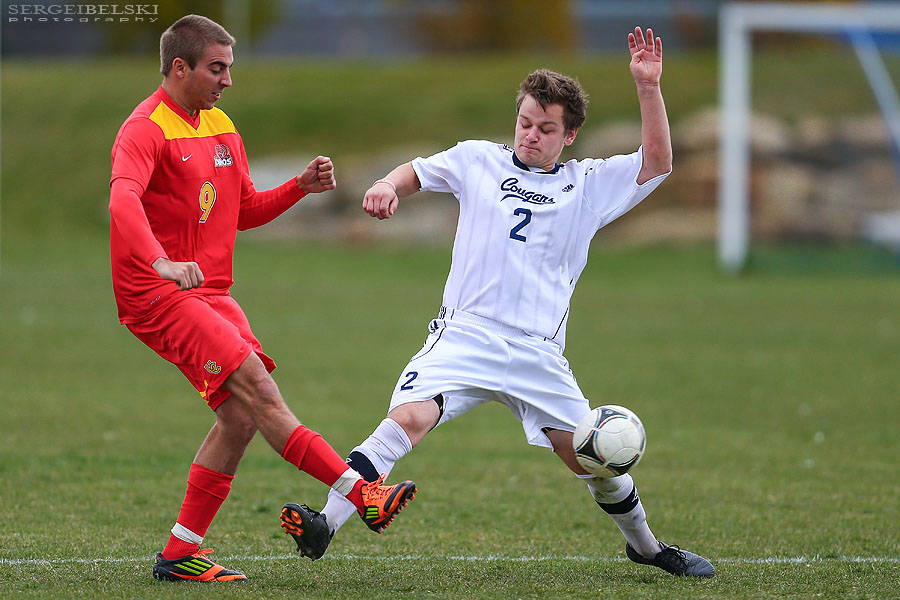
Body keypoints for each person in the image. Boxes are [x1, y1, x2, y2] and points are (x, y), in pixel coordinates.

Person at [287, 27, 714, 577]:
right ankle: (326, 522)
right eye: (526, 123)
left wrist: (647, 86)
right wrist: (389, 185)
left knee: (592, 458)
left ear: (570, 134)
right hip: (465, 335)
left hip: (538, 353)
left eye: (546, 129)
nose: (531, 136)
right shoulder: (479, 160)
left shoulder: (587, 185)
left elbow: (657, 160)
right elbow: (417, 170)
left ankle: (648, 547)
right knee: (408, 419)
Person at [109, 14, 416, 582]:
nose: (227, 80)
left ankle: (179, 554)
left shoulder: (220, 124)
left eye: (230, 68)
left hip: (210, 294)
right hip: (159, 292)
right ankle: (363, 494)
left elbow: (243, 210)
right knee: (259, 388)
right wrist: (162, 264)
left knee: (240, 419)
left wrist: (299, 187)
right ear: (180, 68)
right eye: (216, 68)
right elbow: (122, 203)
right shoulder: (144, 129)